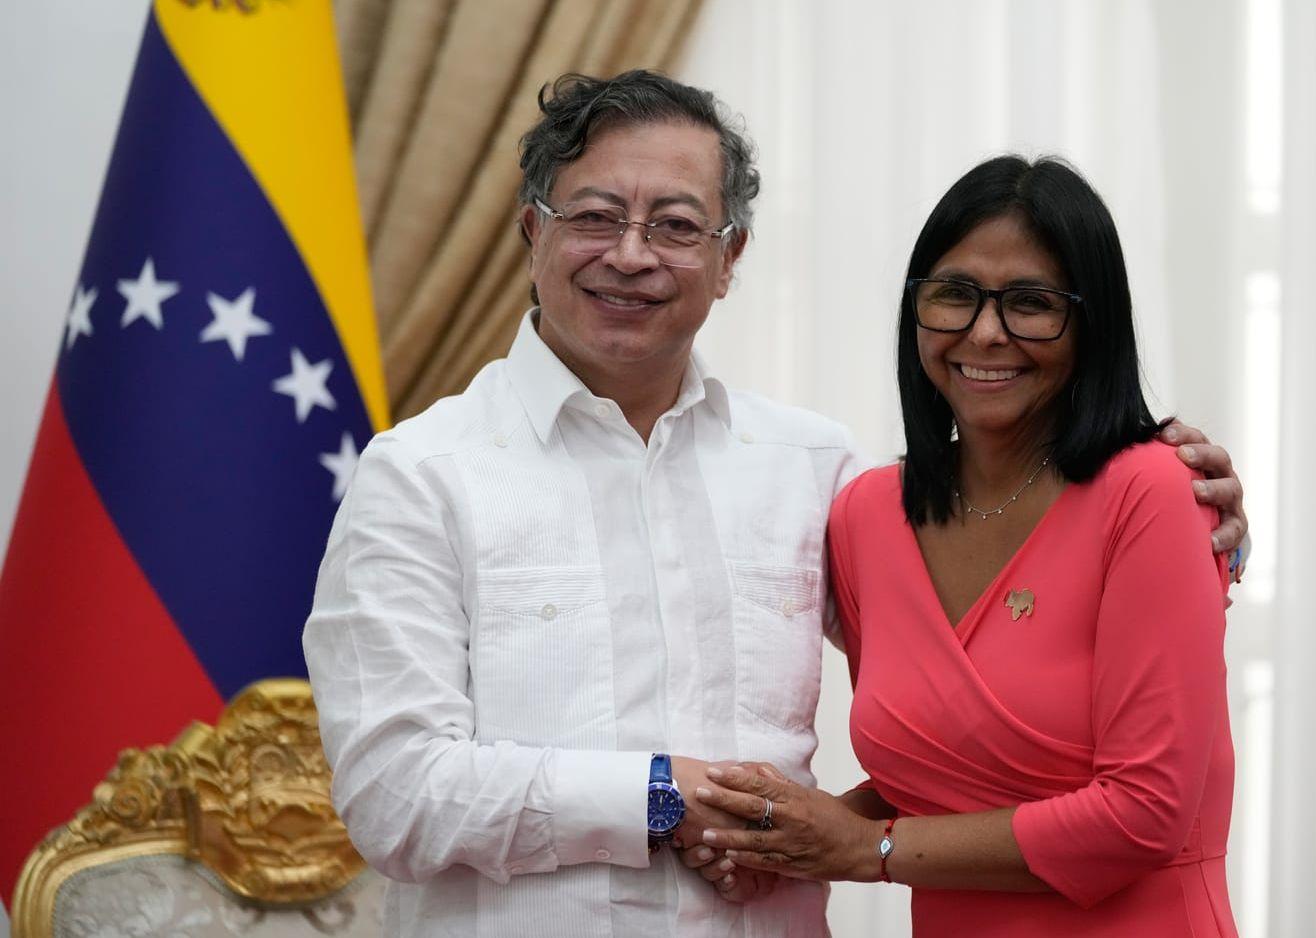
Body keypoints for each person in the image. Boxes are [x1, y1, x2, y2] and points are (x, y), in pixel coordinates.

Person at [303, 71, 1246, 938]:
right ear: (531, 231)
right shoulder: (420, 475)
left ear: (730, 257)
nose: (630, 254)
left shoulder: (814, 471)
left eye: (676, 225)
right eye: (595, 216)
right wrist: (659, 798)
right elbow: (393, 795)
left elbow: (1006, 653)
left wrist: (1207, 527)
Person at [694, 156, 1240, 937]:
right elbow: (936, 777)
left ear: (1094, 323)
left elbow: (1143, 814)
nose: (986, 332)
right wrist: (791, 842)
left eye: (1031, 303)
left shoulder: (1151, 490)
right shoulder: (867, 515)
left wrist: (864, 848)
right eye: (954, 293)